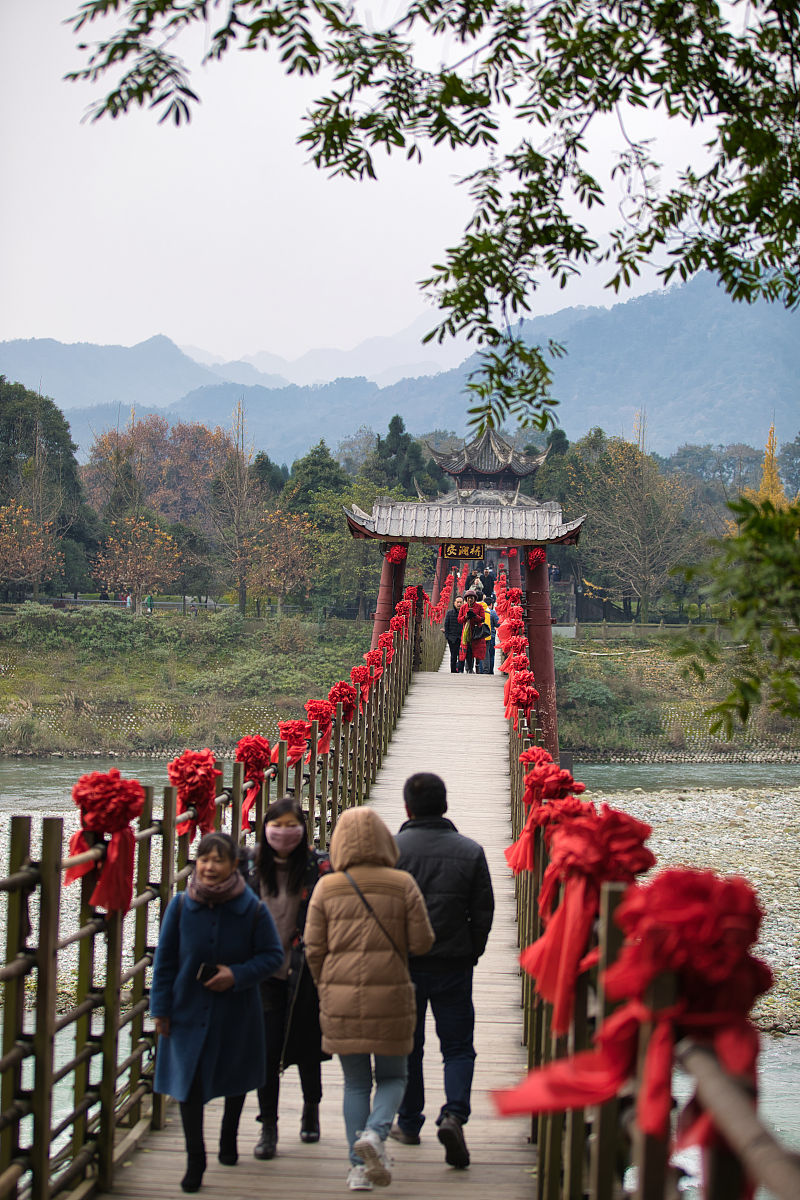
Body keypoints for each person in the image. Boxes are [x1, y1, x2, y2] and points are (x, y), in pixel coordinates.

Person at [305, 806, 434, 1192]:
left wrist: (325, 983)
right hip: (392, 994)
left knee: (355, 1084)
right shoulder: (402, 884)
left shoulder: (327, 886)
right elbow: (423, 942)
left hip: (340, 998)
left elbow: (313, 948)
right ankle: (377, 1133)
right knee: (394, 1076)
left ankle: (357, 1168)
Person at [150, 832, 283, 1193]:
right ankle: (196, 1159)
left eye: (218, 860)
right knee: (189, 1085)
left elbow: (273, 957)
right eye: (204, 859)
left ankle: (229, 1136)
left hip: (236, 1009)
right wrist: (159, 1009)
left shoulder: (252, 908)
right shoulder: (180, 905)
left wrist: (236, 975)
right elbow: (164, 962)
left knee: (236, 1076)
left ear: (234, 865)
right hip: (187, 1008)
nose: (209, 867)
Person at [390, 773, 494, 1170]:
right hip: (453, 962)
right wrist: (472, 951)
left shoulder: (393, 849)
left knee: (408, 1044)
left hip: (405, 963)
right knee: (457, 1045)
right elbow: (483, 912)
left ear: (407, 808)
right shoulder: (470, 851)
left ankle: (409, 1121)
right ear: (445, 805)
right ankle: (454, 1114)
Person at [243, 797, 331, 1159]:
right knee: (266, 1050)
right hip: (264, 971)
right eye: (276, 825)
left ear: (304, 828)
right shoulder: (250, 866)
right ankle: (268, 1125)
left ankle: (311, 1109)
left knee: (309, 1045)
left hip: (307, 966)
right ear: (265, 828)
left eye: (291, 825)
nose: (283, 832)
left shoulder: (319, 866)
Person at [458, 591, 488, 674]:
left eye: (471, 598)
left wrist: (474, 616)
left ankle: (476, 666)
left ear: (475, 599)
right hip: (467, 632)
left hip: (476, 632)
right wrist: (466, 617)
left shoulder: (479, 607)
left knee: (477, 650)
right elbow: (459, 620)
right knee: (468, 650)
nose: (470, 600)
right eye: (468, 598)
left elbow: (482, 619)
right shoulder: (463, 607)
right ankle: (470, 668)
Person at [443, 596, 464, 673]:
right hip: (452, 639)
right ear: (454, 603)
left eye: (460, 602)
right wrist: (447, 636)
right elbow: (446, 625)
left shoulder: (465, 613)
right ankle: (453, 671)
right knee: (453, 656)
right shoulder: (449, 613)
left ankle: (460, 670)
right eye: (457, 602)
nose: (459, 604)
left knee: (461, 656)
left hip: (462, 638)